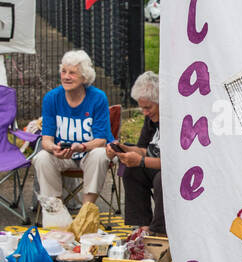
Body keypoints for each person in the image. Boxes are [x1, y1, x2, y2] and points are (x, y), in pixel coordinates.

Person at [31, 50, 114, 226]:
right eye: (64, 71)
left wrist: (81, 147)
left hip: (87, 154)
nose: (66, 77)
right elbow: (46, 138)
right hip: (63, 155)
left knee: (100, 154)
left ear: (84, 77)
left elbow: (101, 140)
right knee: (42, 157)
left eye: (72, 73)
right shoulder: (52, 98)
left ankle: (86, 212)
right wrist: (53, 148)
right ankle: (55, 210)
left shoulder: (98, 98)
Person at [107, 70, 164, 236]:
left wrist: (140, 161)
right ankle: (142, 226)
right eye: (142, 107)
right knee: (131, 169)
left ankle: (159, 232)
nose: (145, 112)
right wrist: (122, 148)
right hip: (153, 162)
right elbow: (143, 149)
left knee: (163, 179)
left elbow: (174, 162)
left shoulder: (175, 119)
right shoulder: (150, 118)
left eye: (148, 107)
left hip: (174, 169)